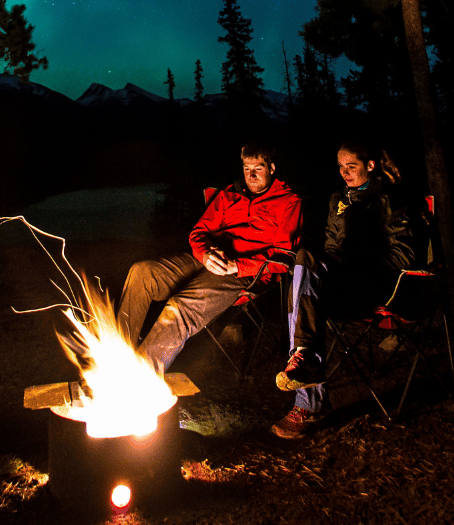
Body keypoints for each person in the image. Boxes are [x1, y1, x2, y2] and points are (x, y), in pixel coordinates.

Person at [271, 140, 421, 440]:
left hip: (375, 286)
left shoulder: (390, 199)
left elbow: (404, 256)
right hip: (342, 283)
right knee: (304, 262)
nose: (344, 173)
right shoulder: (338, 199)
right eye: (340, 167)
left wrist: (357, 265)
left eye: (351, 166)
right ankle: (305, 357)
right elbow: (331, 248)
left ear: (370, 165)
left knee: (306, 297)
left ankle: (308, 398)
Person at [118, 142, 303, 375]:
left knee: (180, 306)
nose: (251, 175)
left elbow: (283, 258)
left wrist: (237, 265)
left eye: (258, 168)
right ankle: (117, 354)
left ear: (272, 168)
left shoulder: (288, 202)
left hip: (246, 273)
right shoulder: (229, 194)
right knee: (142, 272)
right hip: (209, 258)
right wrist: (205, 255)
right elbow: (199, 232)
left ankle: (140, 377)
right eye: (247, 168)